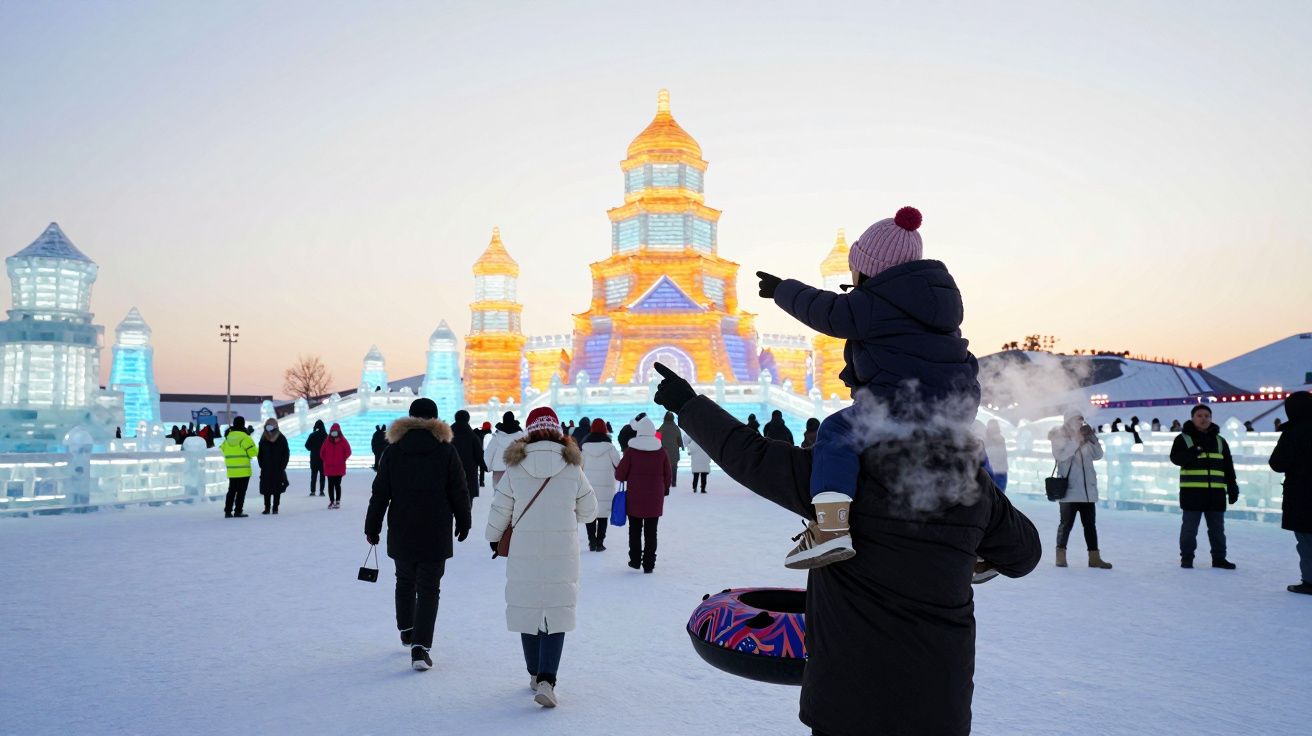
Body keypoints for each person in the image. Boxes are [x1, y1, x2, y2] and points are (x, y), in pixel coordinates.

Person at [649, 361, 1041, 736]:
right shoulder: (974, 490)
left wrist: (688, 404)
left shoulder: (839, 480)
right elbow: (1024, 554)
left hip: (848, 702)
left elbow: (752, 454)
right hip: (939, 701)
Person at [756, 206, 980, 570]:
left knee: (838, 432)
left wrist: (784, 290)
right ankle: (980, 545)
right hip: (955, 401)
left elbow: (828, 312)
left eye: (854, 271)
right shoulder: (937, 305)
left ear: (870, 269)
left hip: (901, 400)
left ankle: (830, 528)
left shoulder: (875, 302)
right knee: (956, 455)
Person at [484, 407, 598, 708]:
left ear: (529, 431)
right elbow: (589, 512)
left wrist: (493, 538)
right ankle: (548, 679)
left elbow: (500, 510)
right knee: (556, 611)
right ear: (558, 431)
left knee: (527, 607)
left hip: (524, 551)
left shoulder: (515, 467)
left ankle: (534, 673)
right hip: (562, 553)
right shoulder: (572, 468)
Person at [365, 398, 471, 671]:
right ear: (435, 419)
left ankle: (407, 628)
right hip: (435, 529)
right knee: (428, 589)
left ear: (410, 418)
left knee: (404, 580)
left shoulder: (394, 450)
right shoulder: (446, 450)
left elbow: (380, 493)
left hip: (402, 527)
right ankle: (420, 647)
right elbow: (459, 489)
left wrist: (372, 526)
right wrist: (464, 519)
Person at [1169, 404, 1239, 569]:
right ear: (1193, 418)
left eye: (1207, 416)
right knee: (1189, 529)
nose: (1204, 419)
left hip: (1216, 494)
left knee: (1217, 530)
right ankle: (1187, 558)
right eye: (1200, 415)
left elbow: (1228, 466)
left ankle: (1219, 558)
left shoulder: (1220, 441)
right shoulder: (1183, 439)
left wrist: (1232, 486)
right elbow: (1176, 459)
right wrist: (1194, 451)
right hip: (1192, 493)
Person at [1050, 409, 1112, 569]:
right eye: (1077, 419)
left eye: (1082, 420)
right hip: (1069, 491)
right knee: (1066, 525)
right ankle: (1060, 556)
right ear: (1069, 420)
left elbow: (1098, 455)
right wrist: (1076, 441)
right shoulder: (1060, 436)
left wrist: (1092, 438)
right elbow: (1060, 456)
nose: (1080, 422)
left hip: (1087, 492)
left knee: (1090, 526)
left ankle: (1094, 557)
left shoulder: (1085, 438)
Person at [615, 416, 671, 572]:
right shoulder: (661, 452)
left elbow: (620, 474)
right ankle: (649, 564)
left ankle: (634, 560)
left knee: (635, 530)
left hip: (635, 497)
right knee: (651, 532)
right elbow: (668, 475)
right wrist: (664, 489)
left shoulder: (631, 451)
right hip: (655, 498)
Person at [1269, 391, 1312, 594]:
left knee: (1306, 541)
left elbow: (1277, 463)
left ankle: (1310, 581)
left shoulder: (1293, 432)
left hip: (1301, 495)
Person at [579, 418, 621, 551]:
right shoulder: (610, 447)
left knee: (590, 513)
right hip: (606, 484)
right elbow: (618, 464)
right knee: (603, 514)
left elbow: (579, 467)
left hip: (588, 485)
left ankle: (591, 541)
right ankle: (600, 542)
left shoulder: (584, 448)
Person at [221, 417, 258, 518]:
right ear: (243, 424)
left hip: (232, 470)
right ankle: (238, 511)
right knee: (241, 492)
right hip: (244, 470)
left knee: (231, 490)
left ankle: (228, 511)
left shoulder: (227, 438)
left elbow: (222, 450)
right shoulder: (245, 438)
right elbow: (253, 453)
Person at [449, 410, 488, 501]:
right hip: (469, 474)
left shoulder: (448, 434)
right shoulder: (472, 436)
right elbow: (479, 454)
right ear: (468, 419)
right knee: (467, 501)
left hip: (451, 472)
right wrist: (485, 466)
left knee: (451, 499)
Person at [483, 411, 525, 488]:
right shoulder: (520, 437)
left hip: (499, 469)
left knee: (498, 494)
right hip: (516, 468)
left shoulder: (497, 437)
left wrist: (486, 467)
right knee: (515, 493)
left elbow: (489, 453)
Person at [257, 419, 290, 514]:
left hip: (278, 468)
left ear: (275, 426)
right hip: (266, 468)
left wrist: (282, 466)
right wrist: (262, 464)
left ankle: (275, 507)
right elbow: (260, 454)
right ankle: (267, 507)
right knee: (266, 489)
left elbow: (286, 453)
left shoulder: (281, 438)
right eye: (267, 425)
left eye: (270, 425)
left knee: (277, 489)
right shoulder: (263, 438)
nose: (268, 428)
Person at [319, 422, 352, 509]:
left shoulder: (343, 441)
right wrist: (326, 460)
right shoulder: (327, 441)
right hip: (329, 467)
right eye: (333, 432)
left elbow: (348, 451)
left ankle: (337, 501)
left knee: (337, 484)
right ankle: (332, 501)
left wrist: (342, 459)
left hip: (339, 467)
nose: (334, 433)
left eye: (335, 432)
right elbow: (322, 452)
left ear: (339, 432)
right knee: (331, 485)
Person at [657, 411, 683, 488]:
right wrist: (681, 446)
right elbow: (679, 439)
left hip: (664, 451)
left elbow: (657, 438)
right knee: (674, 467)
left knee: (664, 467)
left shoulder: (662, 427)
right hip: (674, 451)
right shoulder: (676, 428)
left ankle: (666, 482)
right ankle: (674, 482)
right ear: (673, 419)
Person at [983, 419, 1008, 493]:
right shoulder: (1000, 439)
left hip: (993, 471)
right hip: (1000, 471)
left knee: (992, 496)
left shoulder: (987, 440)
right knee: (999, 496)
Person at [305, 419, 328, 496]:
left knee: (313, 475)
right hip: (323, 459)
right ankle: (321, 491)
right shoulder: (326, 436)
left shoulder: (312, 435)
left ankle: (313, 491)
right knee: (322, 476)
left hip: (314, 458)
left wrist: (312, 449)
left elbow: (306, 445)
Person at [476, 421, 493, 486]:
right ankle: (481, 482)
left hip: (476, 451)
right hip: (483, 452)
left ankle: (476, 481)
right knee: (482, 467)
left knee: (476, 466)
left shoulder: (477, 432)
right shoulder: (489, 434)